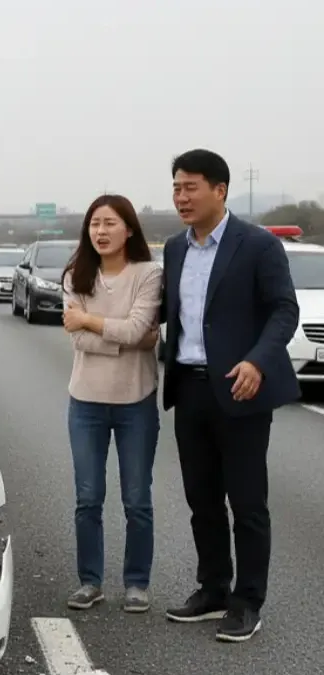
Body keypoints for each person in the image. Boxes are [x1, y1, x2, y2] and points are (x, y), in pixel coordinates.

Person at [160, 149, 299, 642]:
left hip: (240, 390)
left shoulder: (257, 245)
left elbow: (284, 310)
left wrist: (258, 360)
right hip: (190, 388)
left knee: (247, 503)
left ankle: (247, 602)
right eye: (176, 187)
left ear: (220, 190)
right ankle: (213, 588)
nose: (181, 197)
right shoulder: (175, 249)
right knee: (201, 500)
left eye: (190, 187)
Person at [60, 194, 162, 614]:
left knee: (137, 498)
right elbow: (80, 337)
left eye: (110, 223)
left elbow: (141, 326)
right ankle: (90, 581)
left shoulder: (149, 274)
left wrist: (92, 321)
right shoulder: (75, 275)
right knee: (88, 497)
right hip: (85, 403)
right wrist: (130, 340)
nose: (100, 231)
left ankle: (137, 583)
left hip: (136, 402)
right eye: (94, 224)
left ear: (130, 229)